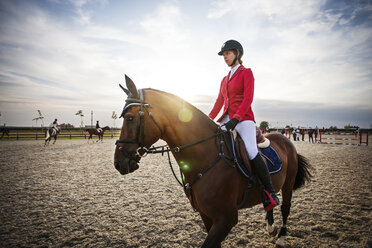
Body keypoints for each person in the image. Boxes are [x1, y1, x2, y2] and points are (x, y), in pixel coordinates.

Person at [209, 39, 279, 211]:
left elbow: (248, 98)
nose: (225, 57)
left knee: (251, 149)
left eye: (228, 53)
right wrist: (209, 118)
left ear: (237, 54)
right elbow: (219, 101)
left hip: (244, 118)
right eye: (223, 55)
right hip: (226, 119)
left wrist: (237, 118)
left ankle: (269, 191)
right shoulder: (224, 79)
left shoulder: (247, 73)